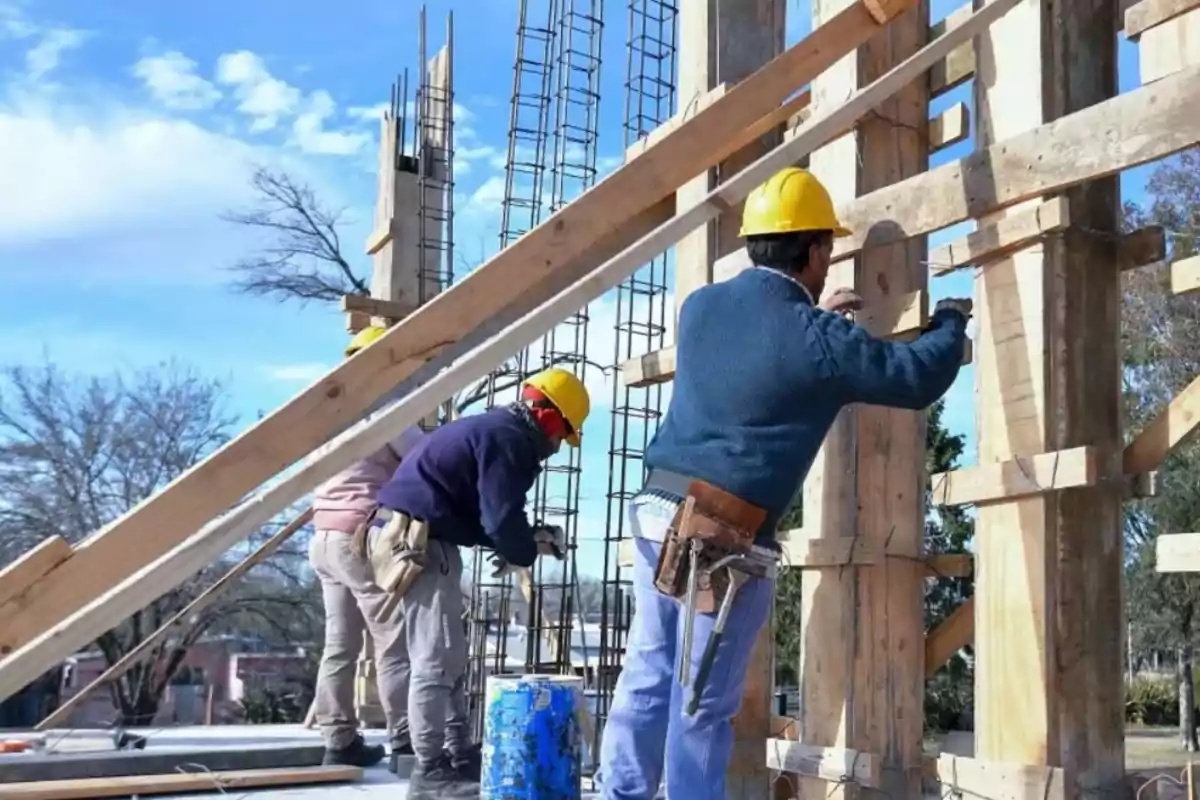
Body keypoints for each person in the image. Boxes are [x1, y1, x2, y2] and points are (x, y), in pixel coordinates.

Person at [595, 167, 972, 800]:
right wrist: (948, 322)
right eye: (830, 248)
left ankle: (619, 794)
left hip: (655, 512)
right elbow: (913, 378)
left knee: (649, 672)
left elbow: (758, 354)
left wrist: (812, 320)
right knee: (702, 700)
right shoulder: (818, 339)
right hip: (719, 536)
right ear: (818, 251)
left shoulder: (701, 307)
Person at [371, 365, 588, 797]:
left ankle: (458, 755)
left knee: (448, 655)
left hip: (414, 535)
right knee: (435, 661)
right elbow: (501, 517)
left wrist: (522, 540)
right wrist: (523, 549)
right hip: (419, 543)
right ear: (549, 417)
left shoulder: (491, 429)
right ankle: (429, 772)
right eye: (563, 435)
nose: (558, 447)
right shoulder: (508, 441)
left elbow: (485, 513)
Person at [309, 326, 426, 769]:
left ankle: (338, 739)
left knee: (339, 645)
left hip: (323, 538)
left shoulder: (327, 412)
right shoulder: (383, 409)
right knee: (392, 642)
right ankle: (404, 741)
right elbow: (422, 455)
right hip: (360, 537)